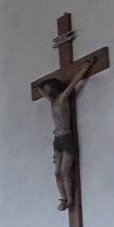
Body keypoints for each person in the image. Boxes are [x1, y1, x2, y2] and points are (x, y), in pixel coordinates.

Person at [37, 57, 94, 211]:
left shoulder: (63, 98)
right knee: (57, 173)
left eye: (48, 88)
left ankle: (70, 199)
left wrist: (86, 67)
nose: (47, 90)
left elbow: (75, 81)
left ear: (54, 88)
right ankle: (63, 198)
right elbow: (41, 92)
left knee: (65, 171)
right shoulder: (52, 101)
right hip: (57, 139)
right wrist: (38, 87)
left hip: (67, 138)